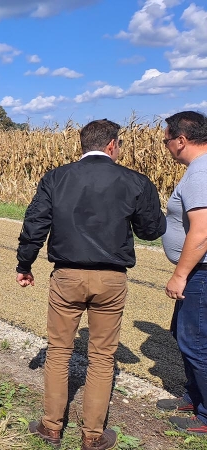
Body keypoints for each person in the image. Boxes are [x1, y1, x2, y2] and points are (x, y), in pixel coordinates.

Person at [15, 119, 166, 449]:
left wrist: (24, 263)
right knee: (102, 357)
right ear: (112, 145)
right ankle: (93, 436)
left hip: (66, 276)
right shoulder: (135, 181)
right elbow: (151, 230)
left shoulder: (56, 178)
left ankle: (51, 427)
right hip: (112, 280)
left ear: (83, 145)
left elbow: (35, 224)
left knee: (58, 352)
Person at [158, 111, 207, 436]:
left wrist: (180, 274)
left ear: (181, 140)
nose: (165, 147)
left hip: (200, 273)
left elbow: (202, 231)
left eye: (166, 140)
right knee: (182, 334)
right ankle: (193, 396)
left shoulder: (200, 173)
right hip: (197, 272)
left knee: (196, 341)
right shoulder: (198, 170)